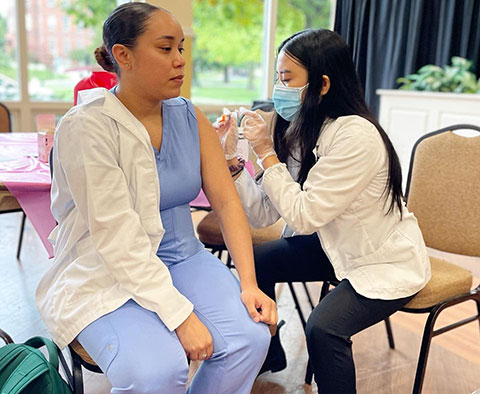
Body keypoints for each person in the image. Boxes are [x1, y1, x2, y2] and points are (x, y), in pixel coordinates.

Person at [35, 3, 276, 394]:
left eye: (181, 48)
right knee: (158, 370)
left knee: (250, 340)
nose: (180, 61)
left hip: (183, 255)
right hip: (107, 266)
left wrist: (248, 283)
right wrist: (180, 316)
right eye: (166, 49)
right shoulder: (87, 127)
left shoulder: (189, 116)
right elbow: (116, 237)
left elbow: (228, 202)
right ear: (123, 56)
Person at [215, 29, 431, 393]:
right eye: (277, 78)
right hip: (335, 247)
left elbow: (304, 216)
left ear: (323, 84)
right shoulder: (306, 129)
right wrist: (234, 162)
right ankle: (270, 354)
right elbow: (266, 214)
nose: (278, 89)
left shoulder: (356, 136)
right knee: (256, 260)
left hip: (382, 262)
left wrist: (266, 154)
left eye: (286, 80)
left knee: (324, 328)